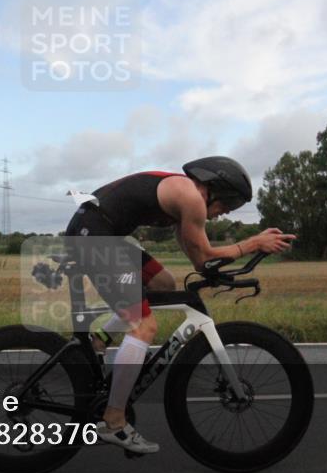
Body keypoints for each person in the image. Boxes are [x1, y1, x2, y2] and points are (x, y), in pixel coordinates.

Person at [63, 156, 295, 454]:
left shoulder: (182, 200)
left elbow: (201, 260)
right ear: (216, 189)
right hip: (94, 236)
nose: (224, 214)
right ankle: (114, 421)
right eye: (229, 205)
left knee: (163, 283)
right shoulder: (190, 196)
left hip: (101, 232)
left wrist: (214, 272)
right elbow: (207, 254)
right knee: (144, 326)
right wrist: (251, 244)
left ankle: (100, 339)